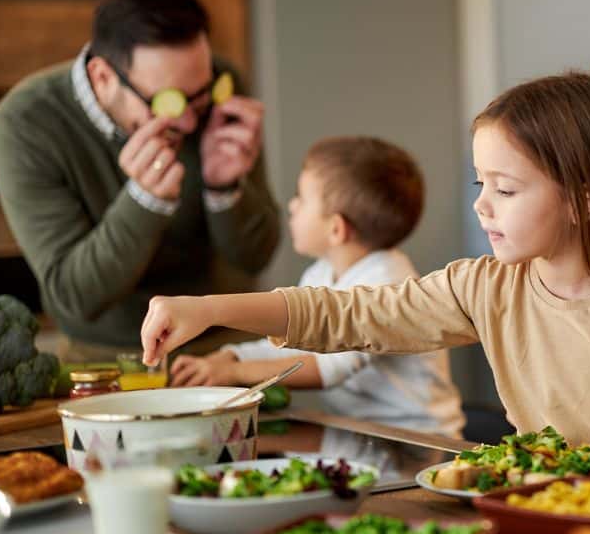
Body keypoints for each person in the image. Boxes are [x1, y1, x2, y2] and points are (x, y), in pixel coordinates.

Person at [140, 73, 590, 488]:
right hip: (531, 516)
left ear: (585, 200)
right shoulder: (484, 288)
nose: (481, 205)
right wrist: (207, 309)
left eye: (505, 189)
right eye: (483, 184)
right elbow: (346, 317)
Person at [0, 0, 280, 361]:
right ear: (103, 78)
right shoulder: (24, 123)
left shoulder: (215, 85)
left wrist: (224, 189)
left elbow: (255, 257)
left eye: (200, 97)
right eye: (169, 102)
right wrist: (144, 201)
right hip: (108, 361)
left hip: (226, 351)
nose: (191, 122)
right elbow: (76, 296)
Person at [170, 136, 465, 437]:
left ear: (336, 229)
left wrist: (233, 373)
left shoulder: (388, 281)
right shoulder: (321, 273)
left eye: (302, 198)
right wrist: (232, 356)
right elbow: (294, 341)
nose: (292, 205)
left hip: (417, 439)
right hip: (359, 434)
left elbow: (329, 368)